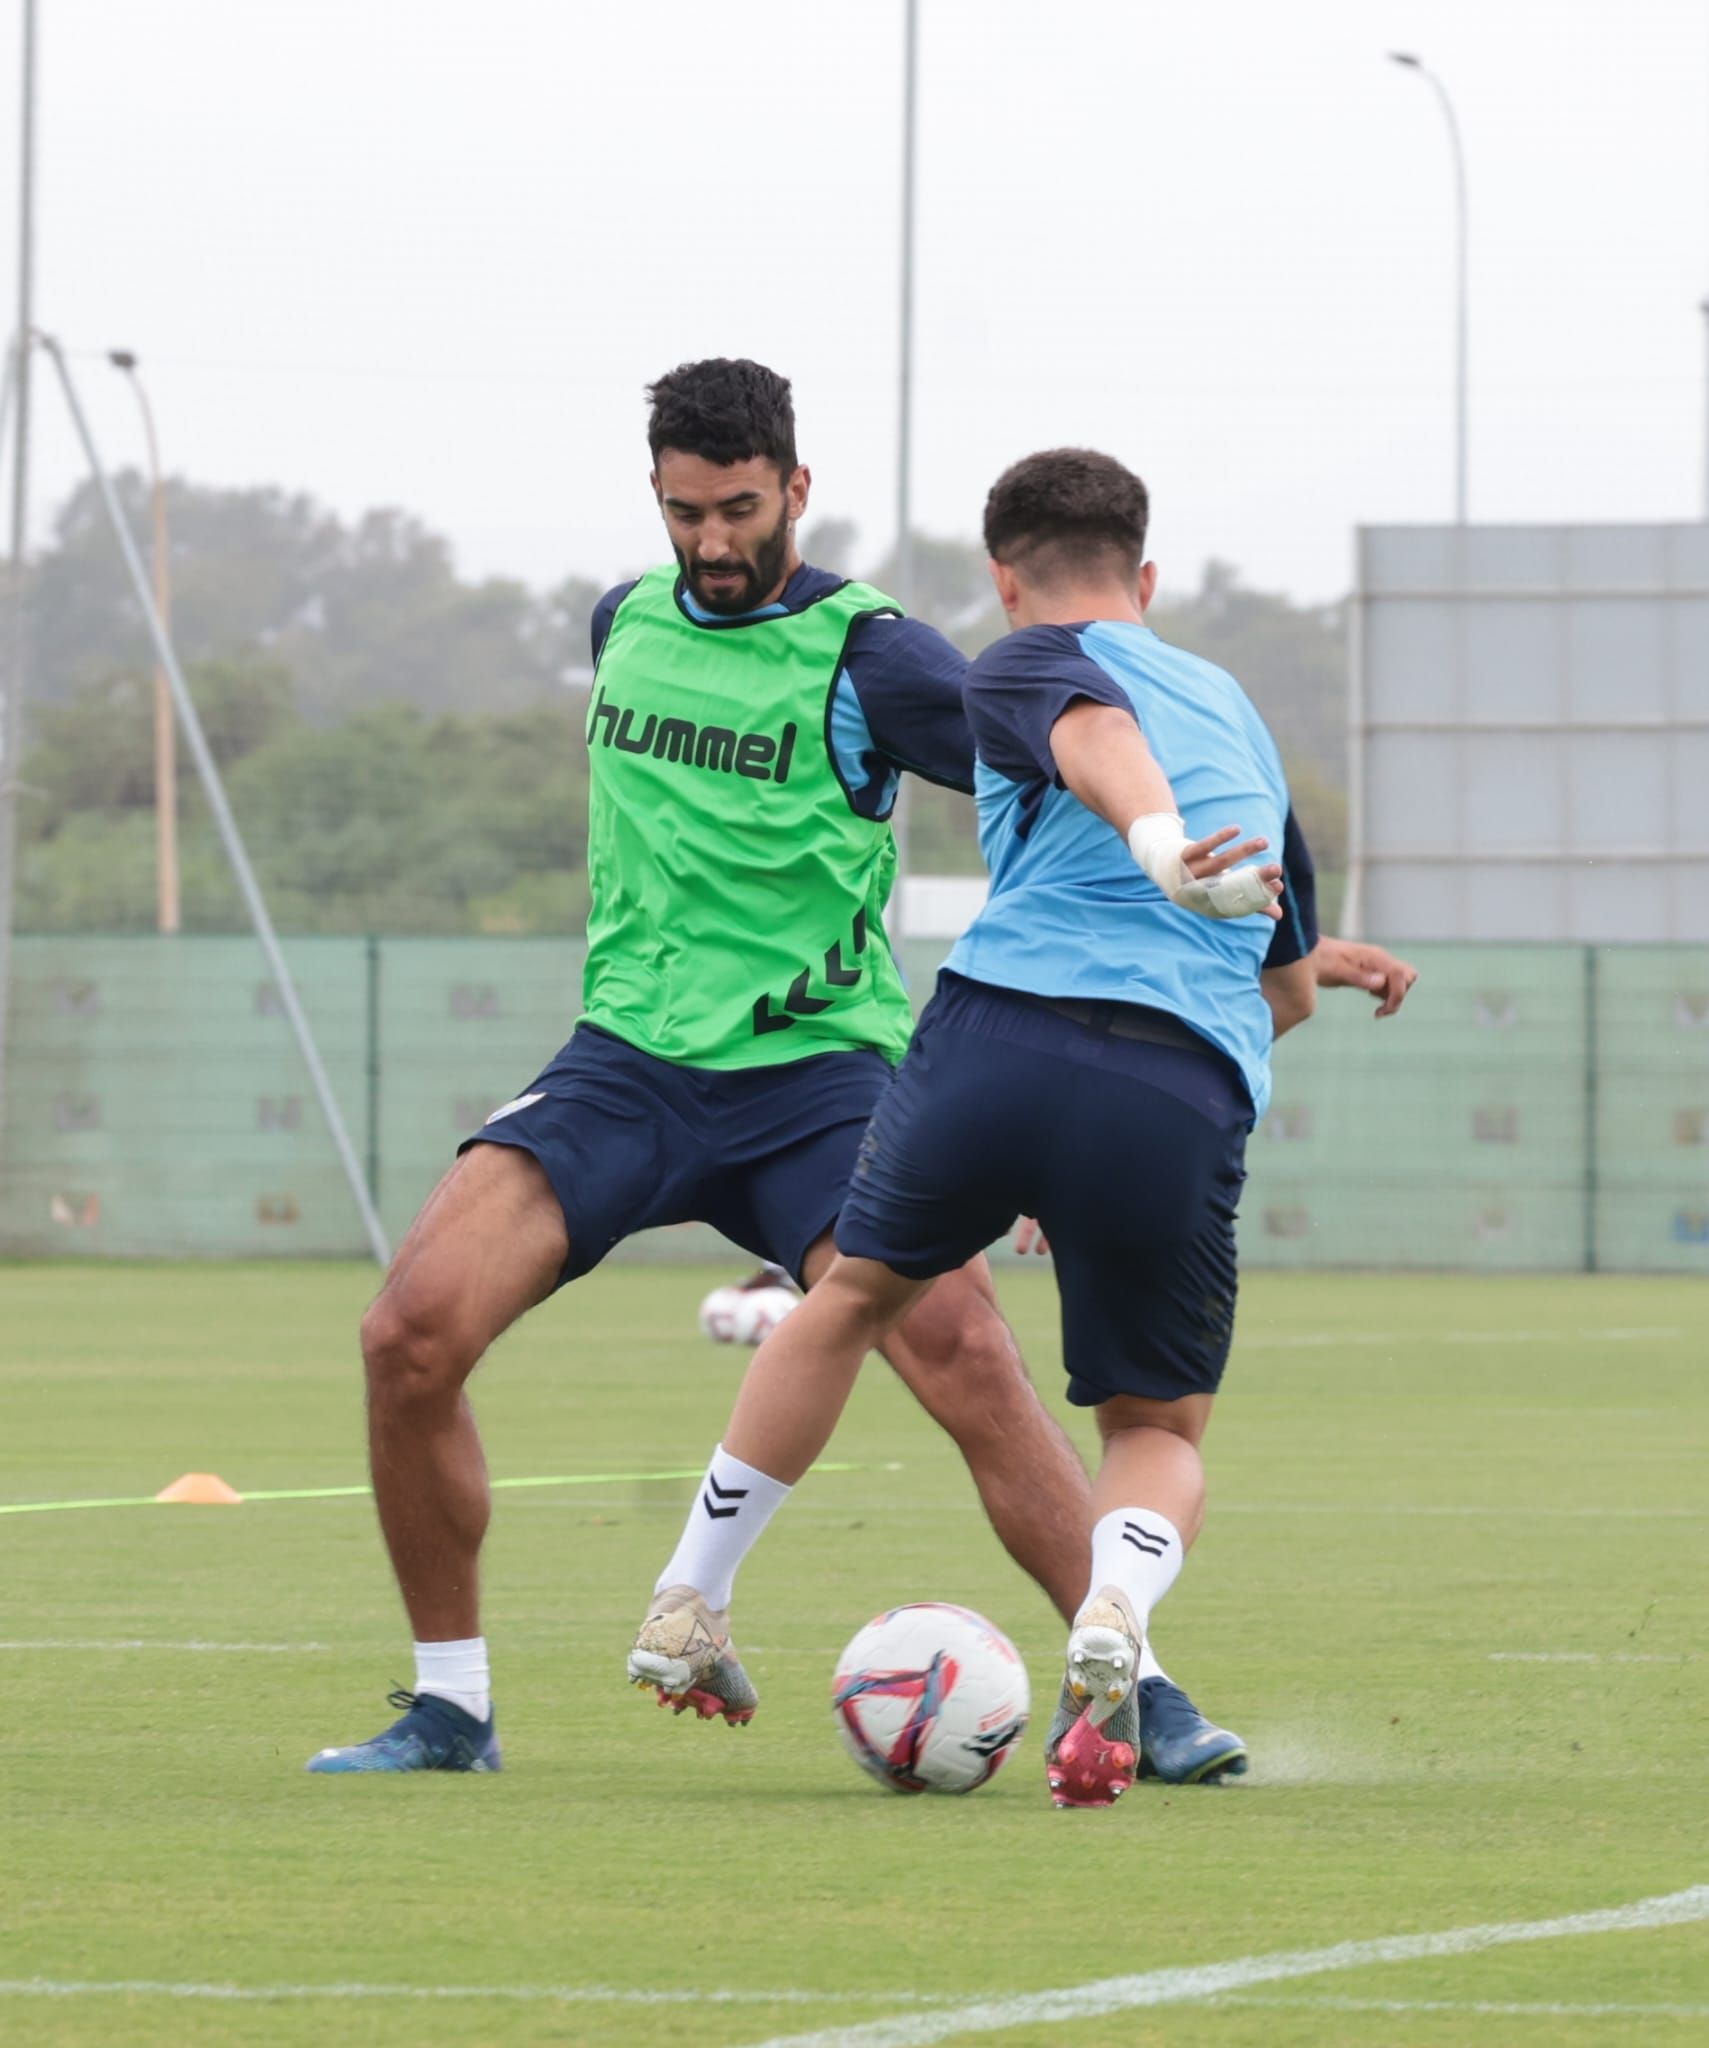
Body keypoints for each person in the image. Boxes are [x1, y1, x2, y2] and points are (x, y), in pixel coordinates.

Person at [308, 359, 1411, 1776]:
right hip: (625, 1067)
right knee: (406, 1336)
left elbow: (1068, 764)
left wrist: (1270, 953)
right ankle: (451, 1706)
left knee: (962, 1355)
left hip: (820, 1078)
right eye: (682, 511)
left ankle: (1142, 1682)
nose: (710, 541)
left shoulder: (877, 655)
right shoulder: (619, 622)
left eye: (739, 508)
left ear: (797, 490)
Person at [628, 445, 1334, 1807]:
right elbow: (1289, 987)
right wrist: (1175, 925)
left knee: (845, 1302)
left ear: (1006, 578)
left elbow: (1088, 730)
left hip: (993, 1043)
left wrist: (1147, 852)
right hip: (1175, 1078)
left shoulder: (1018, 656)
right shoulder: (1241, 720)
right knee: (1158, 1428)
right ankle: (1113, 1609)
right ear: (1147, 573)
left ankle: (688, 1598)